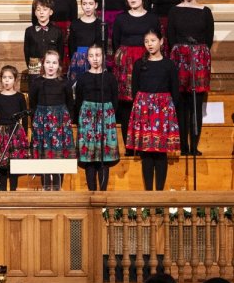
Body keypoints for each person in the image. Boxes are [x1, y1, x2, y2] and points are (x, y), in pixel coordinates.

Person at [127, 29, 180, 190]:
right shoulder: (139, 64)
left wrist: (169, 112)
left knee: (160, 152)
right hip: (144, 110)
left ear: (161, 41)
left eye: (153, 40)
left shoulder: (169, 65)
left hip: (163, 111)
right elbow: (135, 89)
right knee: (147, 152)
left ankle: (160, 192)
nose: (149, 44)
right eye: (146, 41)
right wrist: (142, 106)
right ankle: (148, 192)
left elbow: (175, 90)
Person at [167, 0, 214, 156]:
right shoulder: (174, 11)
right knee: (182, 104)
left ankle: (194, 145)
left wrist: (197, 53)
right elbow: (171, 36)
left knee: (196, 104)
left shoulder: (205, 11)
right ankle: (183, 146)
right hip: (179, 58)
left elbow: (208, 38)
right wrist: (181, 52)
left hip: (199, 58)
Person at [111, 0, 160, 141]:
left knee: (144, 101)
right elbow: (116, 42)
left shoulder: (152, 18)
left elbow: (157, 41)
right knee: (126, 104)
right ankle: (128, 145)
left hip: (146, 61)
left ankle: (144, 141)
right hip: (125, 65)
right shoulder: (121, 18)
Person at [75, 42, 120, 191]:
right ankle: (91, 193)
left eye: (98, 55)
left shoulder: (110, 78)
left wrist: (110, 118)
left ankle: (102, 195)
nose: (95, 59)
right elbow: (78, 100)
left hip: (105, 118)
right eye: (91, 55)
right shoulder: (82, 78)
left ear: (103, 57)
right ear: (87, 58)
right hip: (87, 118)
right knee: (90, 160)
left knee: (104, 159)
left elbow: (115, 100)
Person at [30, 50, 75, 190]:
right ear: (43, 63)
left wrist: (67, 122)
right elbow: (32, 103)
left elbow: (70, 103)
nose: (51, 66)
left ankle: (57, 187)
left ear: (58, 65)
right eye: (48, 62)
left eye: (54, 63)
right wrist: (36, 121)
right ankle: (45, 187)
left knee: (58, 154)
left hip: (60, 123)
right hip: (42, 122)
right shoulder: (37, 82)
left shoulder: (65, 82)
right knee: (44, 153)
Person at [0, 66, 28, 191]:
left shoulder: (20, 97)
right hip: (1, 134)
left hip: (16, 133)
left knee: (14, 164)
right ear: (1, 79)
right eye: (4, 77)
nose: (7, 80)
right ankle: (1, 192)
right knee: (1, 165)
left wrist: (25, 134)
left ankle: (14, 191)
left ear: (15, 80)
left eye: (10, 78)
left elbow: (25, 117)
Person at [24, 0, 65, 76]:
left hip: (52, 68)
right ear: (35, 12)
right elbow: (27, 52)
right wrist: (32, 67)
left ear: (51, 12)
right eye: (38, 10)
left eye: (45, 9)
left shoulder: (57, 31)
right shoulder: (29, 31)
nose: (41, 12)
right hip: (34, 68)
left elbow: (60, 52)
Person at [67, 0, 101, 84]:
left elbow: (103, 47)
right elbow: (71, 46)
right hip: (78, 60)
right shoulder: (75, 24)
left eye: (91, 4)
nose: (88, 7)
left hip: (95, 60)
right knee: (78, 88)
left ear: (96, 5)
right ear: (81, 5)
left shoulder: (100, 25)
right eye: (84, 4)